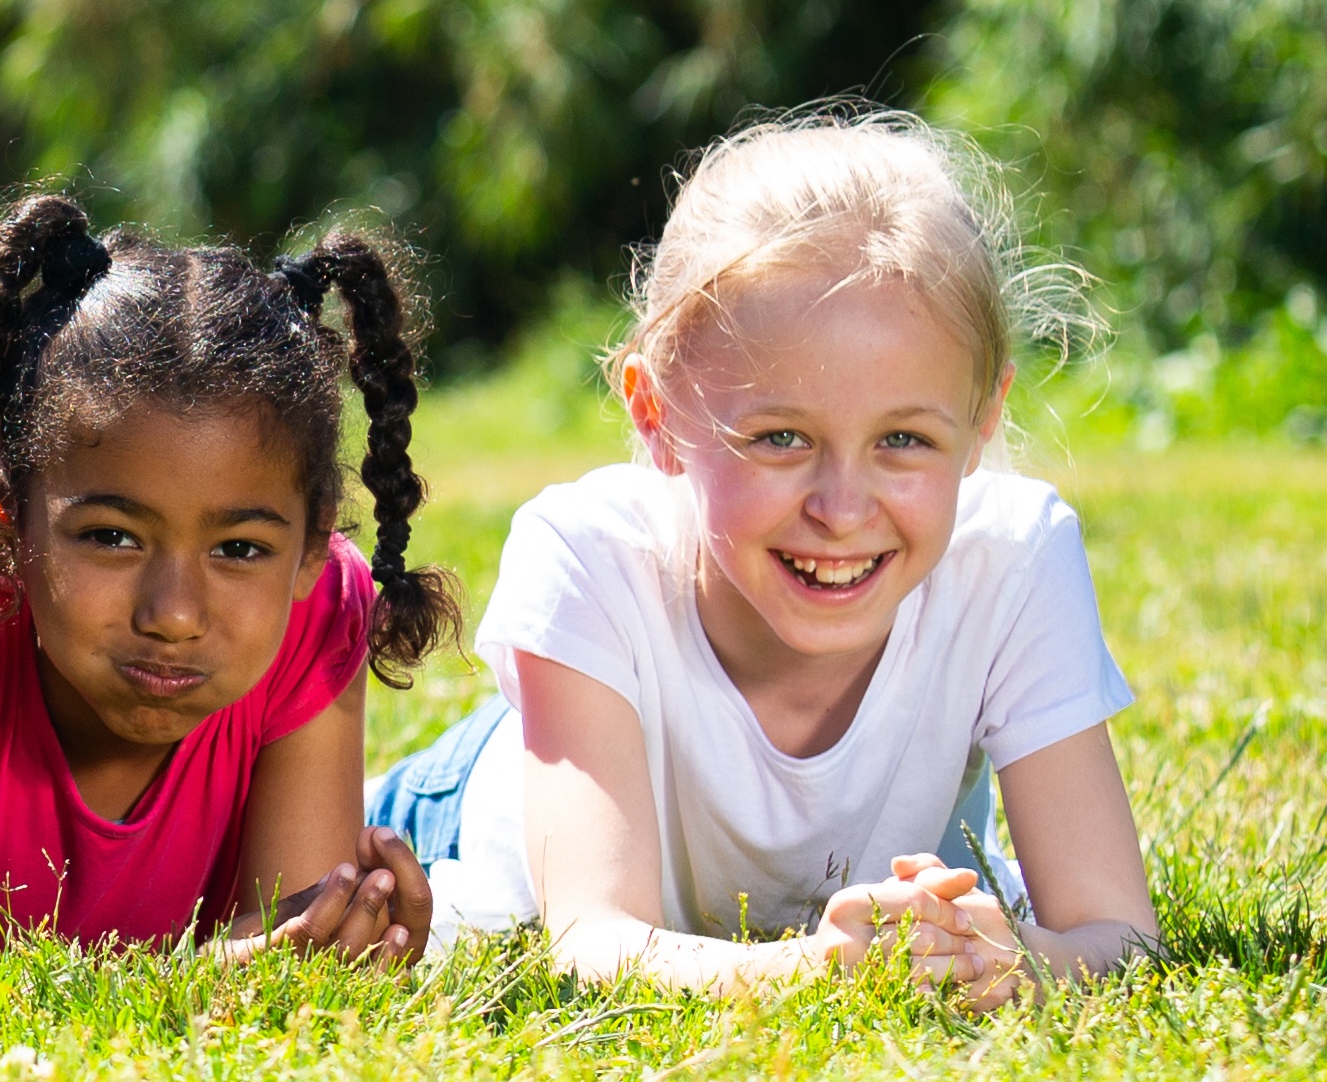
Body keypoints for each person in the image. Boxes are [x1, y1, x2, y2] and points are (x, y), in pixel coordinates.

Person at [370, 109, 1154, 1008]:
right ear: (656, 414)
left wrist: (1012, 959)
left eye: (903, 439)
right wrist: (816, 970)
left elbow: (1117, 934)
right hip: (487, 804)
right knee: (284, 868)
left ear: (983, 418)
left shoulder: (1011, 561)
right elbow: (590, 939)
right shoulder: (590, 556)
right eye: (781, 437)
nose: (841, 510)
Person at [0, 194, 451, 955]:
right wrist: (199, 982)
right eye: (112, 537)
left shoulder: (321, 604)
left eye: (238, 549)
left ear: (311, 547)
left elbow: (285, 936)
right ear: (10, 514)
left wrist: (331, 943)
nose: (173, 615)